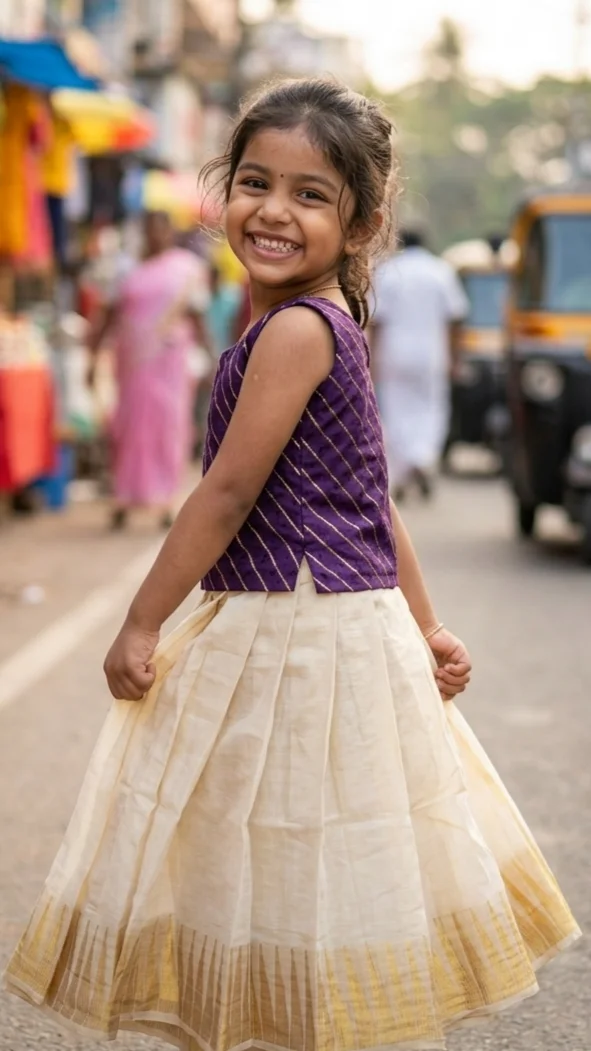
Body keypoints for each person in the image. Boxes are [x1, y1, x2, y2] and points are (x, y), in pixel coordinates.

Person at [5, 79, 579, 1051]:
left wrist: (141, 618)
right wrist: (427, 625)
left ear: (362, 221)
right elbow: (373, 497)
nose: (274, 210)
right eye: (257, 182)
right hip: (331, 620)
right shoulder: (309, 326)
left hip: (297, 629)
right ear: (223, 188)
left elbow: (225, 497)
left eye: (312, 194)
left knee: (276, 852)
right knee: (293, 856)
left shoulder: (300, 331)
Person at [88, 211, 211, 530]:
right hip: (131, 365)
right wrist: (92, 357)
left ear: (170, 233)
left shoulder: (185, 269)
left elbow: (197, 316)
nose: (155, 236)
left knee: (169, 426)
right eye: (150, 230)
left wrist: (214, 359)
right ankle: (123, 499)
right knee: (128, 428)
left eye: (161, 230)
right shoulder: (127, 271)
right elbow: (108, 315)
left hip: (170, 364)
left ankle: (166, 501)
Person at [372, 228, 468, 499]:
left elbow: (376, 321)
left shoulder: (389, 272)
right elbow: (456, 318)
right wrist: (455, 358)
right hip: (431, 354)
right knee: (431, 409)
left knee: (395, 411)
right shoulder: (441, 271)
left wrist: (371, 360)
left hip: (394, 354)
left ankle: (402, 470)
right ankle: (422, 460)